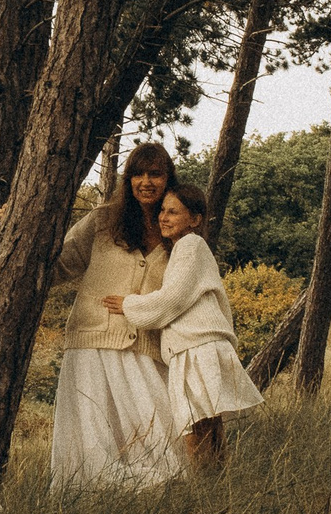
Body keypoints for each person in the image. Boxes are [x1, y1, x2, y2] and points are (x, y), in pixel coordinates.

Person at [48, 142, 183, 490]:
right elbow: (61, 265)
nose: (146, 181)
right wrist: (18, 228)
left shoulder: (178, 232)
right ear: (128, 179)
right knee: (93, 442)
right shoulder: (103, 221)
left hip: (148, 348)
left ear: (168, 178)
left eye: (156, 173)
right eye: (138, 173)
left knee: (161, 441)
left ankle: (158, 504)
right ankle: (89, 507)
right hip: (92, 341)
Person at [103, 181, 262, 470]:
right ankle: (219, 487)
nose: (163, 217)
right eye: (162, 210)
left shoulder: (191, 244)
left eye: (173, 212)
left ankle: (201, 493)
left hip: (196, 347)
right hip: (197, 346)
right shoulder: (182, 249)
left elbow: (171, 300)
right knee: (208, 426)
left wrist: (128, 305)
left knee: (194, 426)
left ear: (195, 219)